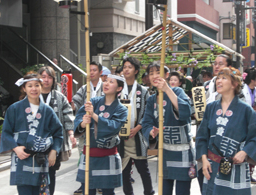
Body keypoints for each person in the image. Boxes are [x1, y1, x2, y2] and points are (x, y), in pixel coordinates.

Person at [196, 67, 256, 195]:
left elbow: (254, 136)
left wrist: (245, 152)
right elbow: (202, 136)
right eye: (218, 78)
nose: (219, 81)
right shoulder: (211, 108)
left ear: (234, 84)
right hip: (212, 166)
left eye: (224, 78)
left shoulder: (246, 110)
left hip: (236, 167)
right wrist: (204, 160)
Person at [0, 73, 63, 195]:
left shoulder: (47, 110)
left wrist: (54, 151)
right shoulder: (14, 109)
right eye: (30, 86)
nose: (33, 89)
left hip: (41, 159)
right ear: (24, 88)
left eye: (37, 85)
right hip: (21, 158)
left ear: (41, 86)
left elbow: (58, 133)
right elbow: (6, 132)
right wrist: (15, 148)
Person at [142, 62, 195, 195]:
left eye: (157, 72)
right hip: (164, 151)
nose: (154, 76)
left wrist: (167, 89)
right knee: (164, 190)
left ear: (166, 75)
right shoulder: (151, 100)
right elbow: (146, 122)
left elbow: (186, 112)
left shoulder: (177, 91)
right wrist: (151, 132)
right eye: (151, 73)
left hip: (182, 150)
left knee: (182, 191)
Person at [74, 74, 128, 195]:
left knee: (108, 192)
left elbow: (114, 127)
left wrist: (94, 116)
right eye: (106, 81)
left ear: (119, 88)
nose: (106, 83)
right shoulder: (93, 102)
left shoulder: (121, 109)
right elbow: (78, 119)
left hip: (108, 157)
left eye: (111, 82)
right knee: (87, 191)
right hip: (89, 155)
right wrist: (83, 124)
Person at [38, 66, 76, 195]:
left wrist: (71, 134)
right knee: (35, 173)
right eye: (43, 77)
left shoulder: (59, 97)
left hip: (54, 141)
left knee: (51, 172)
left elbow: (67, 116)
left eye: (49, 77)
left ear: (54, 80)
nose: (46, 80)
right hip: (35, 141)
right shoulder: (33, 95)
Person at [119, 57, 154, 195]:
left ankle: (149, 192)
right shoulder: (118, 88)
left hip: (138, 135)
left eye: (129, 67)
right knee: (124, 171)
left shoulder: (143, 91)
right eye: (125, 67)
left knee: (143, 169)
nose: (126, 69)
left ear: (136, 71)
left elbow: (147, 113)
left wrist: (138, 127)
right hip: (122, 135)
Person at [72, 61, 104, 195]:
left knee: (101, 156)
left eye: (94, 70)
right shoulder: (84, 88)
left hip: (101, 127)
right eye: (89, 70)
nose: (91, 72)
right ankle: (84, 183)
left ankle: (101, 183)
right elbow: (75, 103)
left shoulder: (106, 87)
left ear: (100, 72)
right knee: (83, 156)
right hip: (86, 128)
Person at [242, 67, 256, 184]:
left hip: (254, 123)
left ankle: (250, 173)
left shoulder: (254, 90)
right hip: (245, 123)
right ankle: (246, 173)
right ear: (253, 79)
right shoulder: (242, 90)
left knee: (253, 149)